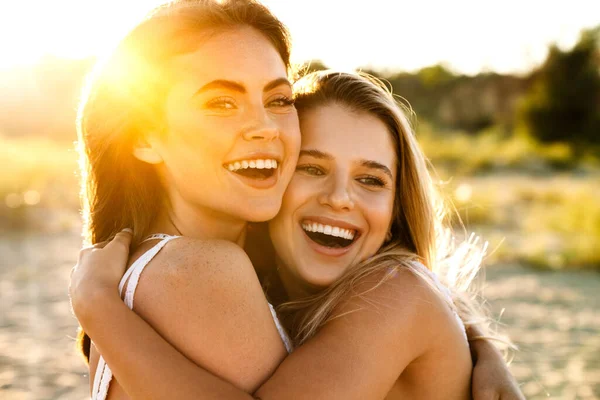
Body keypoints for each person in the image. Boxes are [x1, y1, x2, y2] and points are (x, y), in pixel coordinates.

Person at [70, 0, 523, 399]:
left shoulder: (142, 271)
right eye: (222, 103)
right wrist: (98, 309)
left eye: (279, 99)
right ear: (144, 137)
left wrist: (476, 340)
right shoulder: (198, 270)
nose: (264, 127)